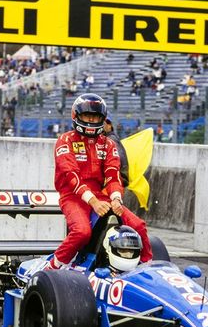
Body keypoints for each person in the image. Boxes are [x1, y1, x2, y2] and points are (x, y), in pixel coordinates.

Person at [47, 93, 152, 270]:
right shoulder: (64, 141)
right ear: (76, 116)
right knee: (82, 232)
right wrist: (93, 201)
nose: (91, 120)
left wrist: (116, 199)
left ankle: (148, 266)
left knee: (138, 225)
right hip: (72, 197)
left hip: (100, 197)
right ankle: (54, 266)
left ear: (102, 119)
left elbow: (113, 175)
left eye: (95, 117)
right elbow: (71, 175)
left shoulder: (108, 144)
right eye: (87, 116)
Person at [103, 117, 129, 187]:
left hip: (116, 180)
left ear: (109, 125)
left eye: (103, 124)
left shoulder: (110, 140)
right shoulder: (110, 138)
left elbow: (117, 158)